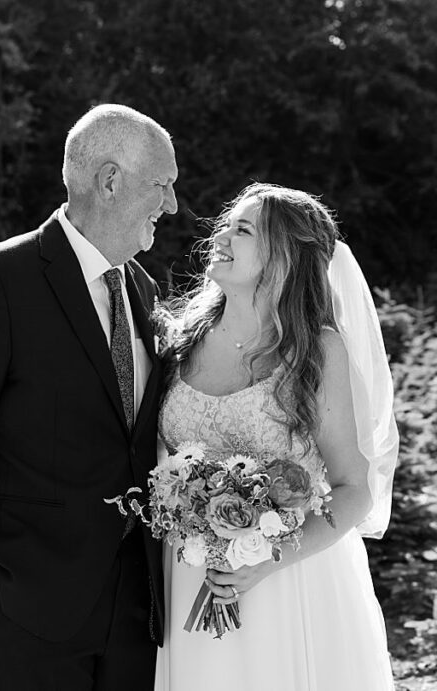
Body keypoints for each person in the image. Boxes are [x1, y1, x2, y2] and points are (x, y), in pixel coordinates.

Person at [0, 104, 179, 689]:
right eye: (163, 185)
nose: (173, 205)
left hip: (140, 610)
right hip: (27, 610)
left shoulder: (146, 288)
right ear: (110, 180)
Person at [154, 183, 396, 690]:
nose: (220, 234)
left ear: (283, 257)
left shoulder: (317, 352)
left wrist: (266, 560)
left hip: (289, 583)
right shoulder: (178, 339)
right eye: (227, 223)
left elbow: (355, 489)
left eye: (242, 229)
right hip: (188, 580)